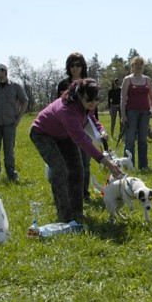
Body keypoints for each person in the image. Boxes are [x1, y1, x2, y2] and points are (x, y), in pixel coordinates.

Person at [30, 78, 123, 223]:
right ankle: (65, 216)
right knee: (59, 169)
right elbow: (82, 141)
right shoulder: (67, 110)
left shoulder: (87, 104)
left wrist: (101, 130)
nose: (93, 103)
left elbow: (92, 119)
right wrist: (108, 163)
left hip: (64, 135)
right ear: (79, 95)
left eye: (96, 99)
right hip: (42, 134)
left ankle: (77, 213)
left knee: (77, 169)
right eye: (89, 100)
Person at [56, 53, 94, 202]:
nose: (75, 68)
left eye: (78, 64)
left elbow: (93, 107)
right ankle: (70, 193)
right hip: (67, 128)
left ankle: (85, 193)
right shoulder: (63, 84)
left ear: (83, 66)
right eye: (72, 65)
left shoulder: (89, 83)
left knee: (85, 163)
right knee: (69, 163)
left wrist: (96, 128)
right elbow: (58, 106)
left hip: (85, 126)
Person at [121, 56, 152, 170]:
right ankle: (128, 166)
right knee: (130, 140)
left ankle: (143, 166)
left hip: (145, 113)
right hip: (131, 113)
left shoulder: (147, 79)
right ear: (132, 66)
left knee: (143, 140)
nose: (139, 66)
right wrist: (123, 116)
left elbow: (151, 96)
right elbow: (123, 98)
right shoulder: (127, 79)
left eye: (141, 64)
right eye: (136, 64)